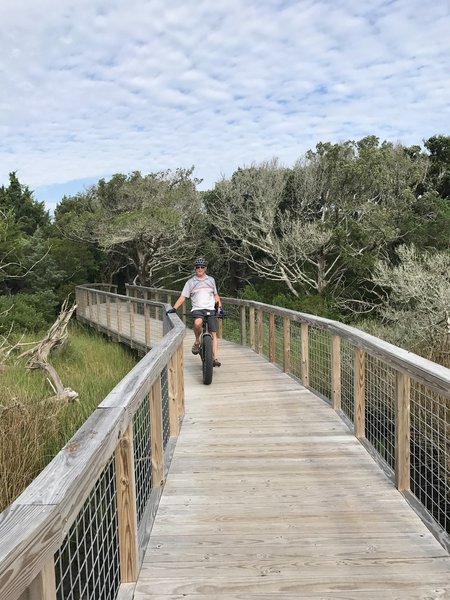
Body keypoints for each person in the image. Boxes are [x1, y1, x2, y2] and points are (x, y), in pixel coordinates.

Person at [167, 257, 224, 367]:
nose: (200, 269)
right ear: (195, 269)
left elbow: (216, 295)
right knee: (197, 323)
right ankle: (197, 341)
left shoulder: (211, 280)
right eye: (198, 267)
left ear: (205, 268)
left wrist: (220, 308)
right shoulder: (190, 282)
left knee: (213, 333)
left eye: (202, 267)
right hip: (197, 309)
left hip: (211, 309)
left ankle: (214, 358)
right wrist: (174, 308)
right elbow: (183, 296)